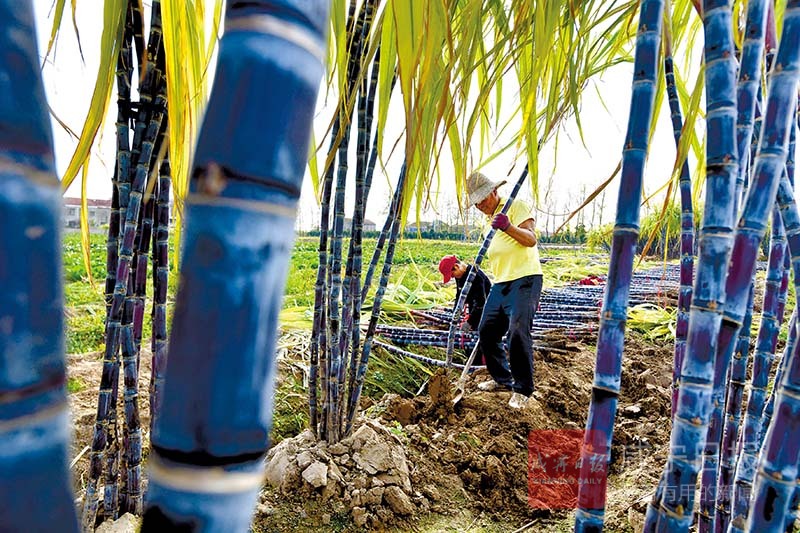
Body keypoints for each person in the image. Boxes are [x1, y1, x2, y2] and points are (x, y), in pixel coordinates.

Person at [466, 171, 543, 409]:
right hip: (501, 282)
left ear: (494, 191)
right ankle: (502, 379)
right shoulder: (487, 223)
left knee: (518, 331)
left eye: (483, 199)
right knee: (487, 330)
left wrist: (508, 226)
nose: (480, 205)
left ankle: (523, 389)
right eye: (476, 202)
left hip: (525, 279)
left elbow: (531, 239)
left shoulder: (515, 207)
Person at [438, 254, 492, 332]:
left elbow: (481, 303)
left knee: (480, 332)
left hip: (486, 311)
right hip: (473, 308)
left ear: (456, 266)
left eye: (452, 275)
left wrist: (470, 322)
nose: (453, 277)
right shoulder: (459, 276)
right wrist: (456, 312)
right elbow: (459, 296)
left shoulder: (476, 276)